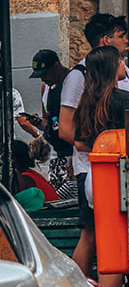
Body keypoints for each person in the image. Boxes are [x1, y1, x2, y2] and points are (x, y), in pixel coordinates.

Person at [71, 45, 129, 287]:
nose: (123, 65)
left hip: (92, 175)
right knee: (115, 245)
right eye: (119, 61)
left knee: (95, 238)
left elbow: (79, 141)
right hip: (117, 176)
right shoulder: (123, 98)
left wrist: (101, 148)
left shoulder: (87, 100)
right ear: (111, 66)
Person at [19, 49, 75, 199]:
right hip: (55, 155)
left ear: (56, 66)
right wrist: (38, 124)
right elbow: (50, 122)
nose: (43, 79)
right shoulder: (47, 88)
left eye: (44, 74)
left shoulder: (73, 82)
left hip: (73, 153)